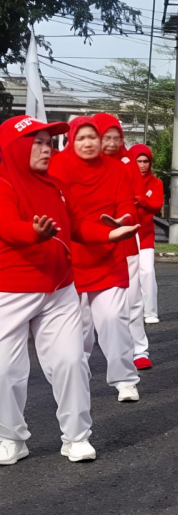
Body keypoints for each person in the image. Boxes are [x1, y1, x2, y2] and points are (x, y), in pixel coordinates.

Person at [0, 115, 97, 465]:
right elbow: (8, 226)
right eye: (38, 142)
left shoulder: (56, 185)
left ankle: (77, 437)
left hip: (60, 289)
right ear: (16, 147)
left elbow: (78, 226)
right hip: (11, 291)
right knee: (5, 370)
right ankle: (10, 437)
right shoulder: (3, 184)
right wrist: (34, 234)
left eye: (49, 142)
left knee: (71, 361)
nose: (47, 148)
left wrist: (110, 234)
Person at [49, 117, 142, 403]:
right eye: (82, 138)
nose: (88, 143)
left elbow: (128, 205)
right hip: (71, 257)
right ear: (71, 140)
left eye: (93, 138)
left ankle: (125, 379)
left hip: (109, 253)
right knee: (79, 326)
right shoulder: (56, 168)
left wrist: (122, 220)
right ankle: (78, 373)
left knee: (113, 317)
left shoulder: (116, 169)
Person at [93, 113, 151, 370]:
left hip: (125, 239)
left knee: (133, 298)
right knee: (83, 308)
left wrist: (123, 220)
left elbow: (134, 200)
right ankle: (83, 356)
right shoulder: (78, 162)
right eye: (105, 135)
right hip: (87, 245)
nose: (111, 142)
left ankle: (139, 349)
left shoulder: (127, 163)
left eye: (116, 135)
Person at [129, 144, 163, 326]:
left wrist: (143, 201)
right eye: (139, 161)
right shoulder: (123, 179)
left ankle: (150, 311)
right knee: (129, 275)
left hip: (145, 235)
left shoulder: (156, 183)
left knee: (147, 271)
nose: (142, 165)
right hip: (125, 235)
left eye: (146, 161)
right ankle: (129, 312)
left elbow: (157, 206)